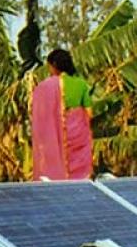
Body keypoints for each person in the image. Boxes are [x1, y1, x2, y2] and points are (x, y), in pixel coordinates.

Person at [30, 49, 93, 180]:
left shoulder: (45, 86)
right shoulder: (81, 84)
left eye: (49, 67)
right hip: (78, 136)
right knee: (78, 178)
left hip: (55, 137)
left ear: (54, 65)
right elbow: (89, 113)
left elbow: (40, 114)